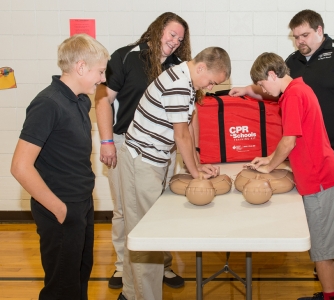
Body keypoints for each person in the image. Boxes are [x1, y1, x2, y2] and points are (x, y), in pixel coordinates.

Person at [230, 9, 334, 283]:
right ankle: (327, 262)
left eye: (305, 34)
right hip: (315, 153)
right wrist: (245, 89)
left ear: (320, 30)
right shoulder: (292, 65)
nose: (300, 41)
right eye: (295, 36)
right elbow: (269, 85)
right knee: (325, 218)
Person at [117, 46, 231, 300]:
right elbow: (180, 135)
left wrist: (197, 165)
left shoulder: (187, 80)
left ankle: (129, 294)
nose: (211, 88)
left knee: (138, 233)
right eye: (211, 81)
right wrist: (195, 173)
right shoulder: (179, 83)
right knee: (145, 237)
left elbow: (189, 127)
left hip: (154, 160)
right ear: (201, 67)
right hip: (141, 162)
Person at [95, 12, 193, 289]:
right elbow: (103, 100)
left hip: (163, 148)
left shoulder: (178, 66)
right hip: (124, 143)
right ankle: (123, 268)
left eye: (180, 39)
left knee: (158, 209)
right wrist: (106, 141)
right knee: (125, 211)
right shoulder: (125, 57)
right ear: (158, 29)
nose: (174, 42)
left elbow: (186, 116)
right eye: (171, 34)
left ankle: (161, 265)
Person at [10, 34, 109, 299]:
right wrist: (59, 209)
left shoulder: (81, 100)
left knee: (80, 273)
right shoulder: (48, 103)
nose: (102, 78)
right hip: (60, 207)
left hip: (82, 203)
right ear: (80, 67)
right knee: (62, 285)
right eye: (100, 71)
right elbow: (20, 166)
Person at [246, 52, 334, 300]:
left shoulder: (292, 95)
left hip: (319, 178)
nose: (264, 90)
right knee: (325, 245)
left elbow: (289, 142)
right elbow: (296, 138)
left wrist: (269, 168)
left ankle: (332, 297)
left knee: (322, 248)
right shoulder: (299, 89)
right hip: (321, 174)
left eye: (262, 84)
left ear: (271, 74)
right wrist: (270, 158)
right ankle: (331, 294)